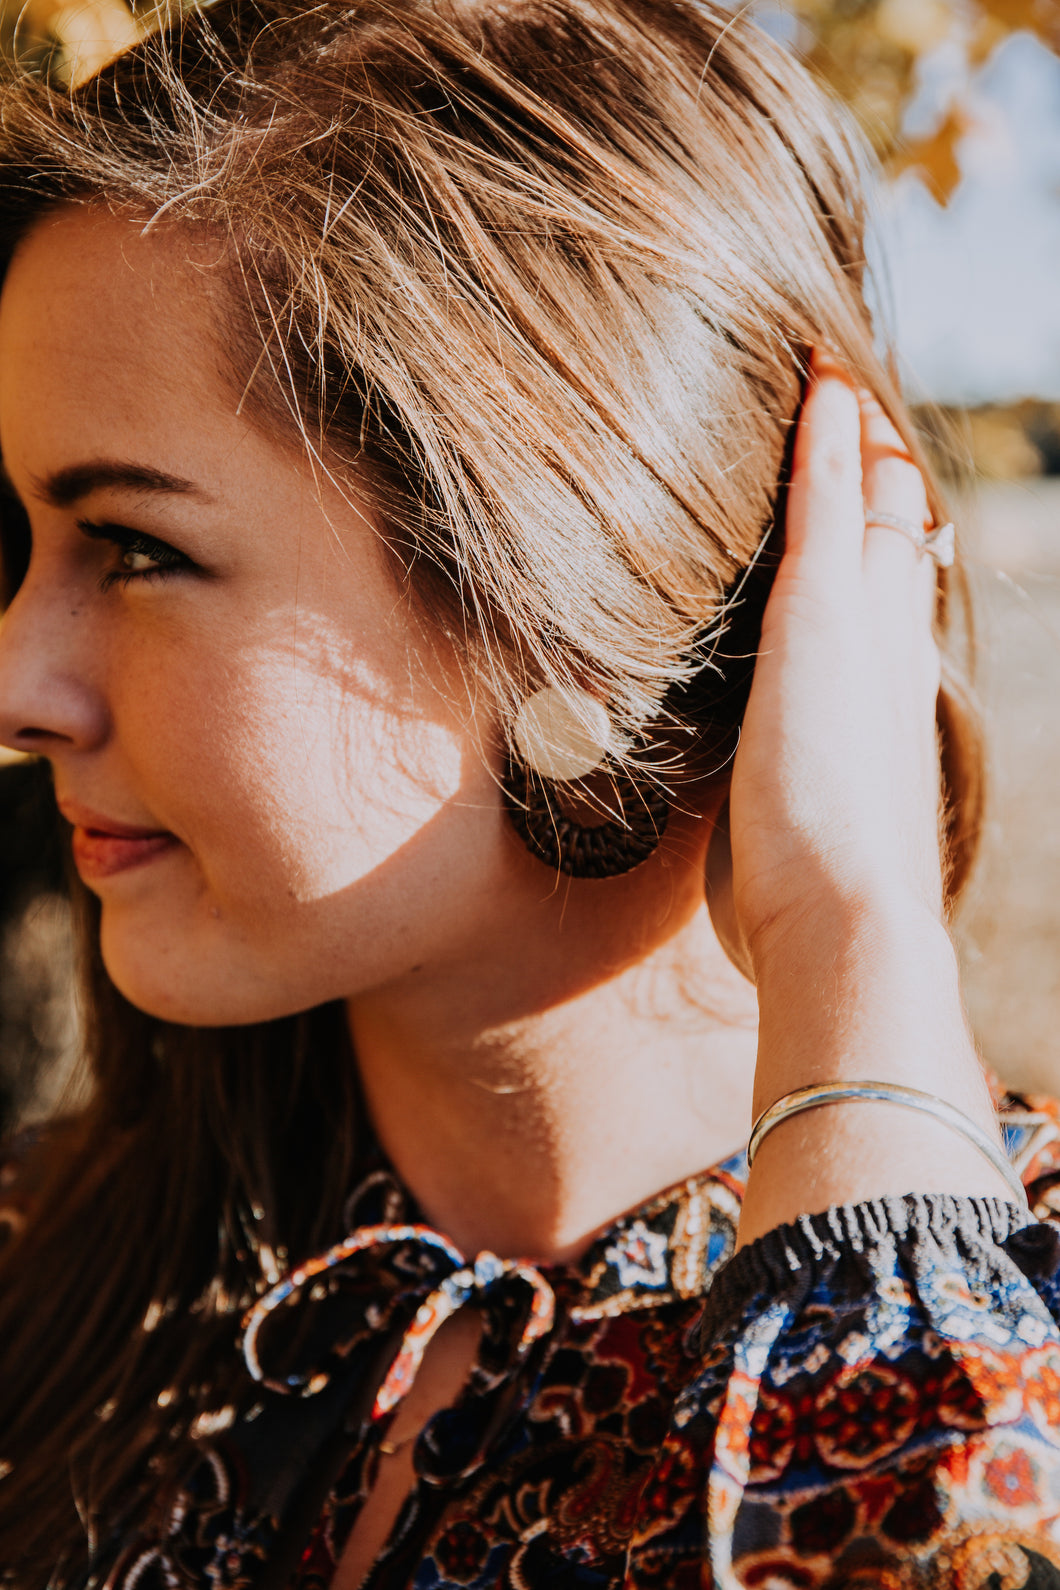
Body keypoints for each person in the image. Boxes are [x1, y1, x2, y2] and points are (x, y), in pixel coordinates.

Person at [1, 1, 1060, 1585]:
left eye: (140, 549)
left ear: (562, 587)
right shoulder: (49, 1273)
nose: (17, 682)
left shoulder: (1020, 1310)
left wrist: (851, 932)